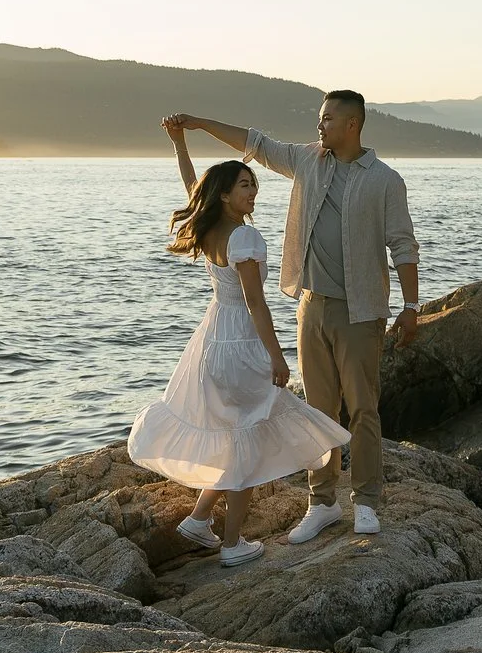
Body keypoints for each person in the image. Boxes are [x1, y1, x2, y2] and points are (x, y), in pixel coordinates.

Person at [161, 91, 417, 542]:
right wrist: (200, 123)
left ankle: (367, 502)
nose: (320, 126)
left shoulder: (384, 180)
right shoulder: (307, 161)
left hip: (360, 312)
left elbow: (402, 245)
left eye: (327, 119)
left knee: (362, 409)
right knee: (317, 412)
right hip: (311, 306)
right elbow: (256, 142)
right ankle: (322, 503)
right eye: (320, 119)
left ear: (352, 124)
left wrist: (412, 307)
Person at [125, 124, 350, 567]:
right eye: (245, 185)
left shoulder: (209, 227)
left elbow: (194, 187)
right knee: (249, 441)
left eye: (254, 185)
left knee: (237, 435)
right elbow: (255, 301)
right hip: (242, 341)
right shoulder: (243, 237)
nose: (254, 192)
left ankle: (200, 518)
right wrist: (276, 354)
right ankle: (232, 545)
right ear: (225, 195)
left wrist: (179, 144)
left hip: (212, 340)